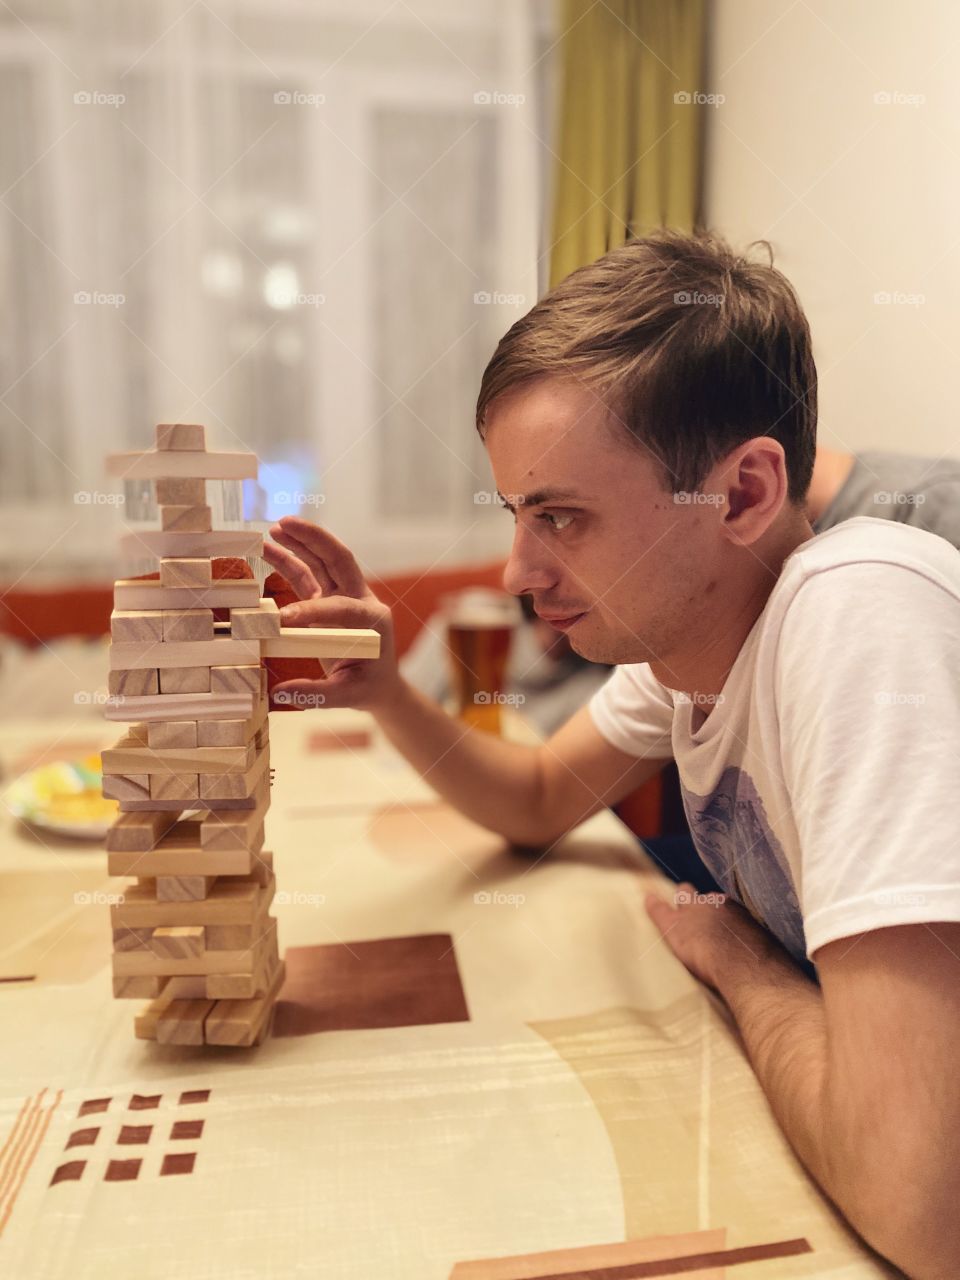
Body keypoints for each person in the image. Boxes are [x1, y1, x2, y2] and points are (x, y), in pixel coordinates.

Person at [263, 230, 960, 1280]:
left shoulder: (858, 609)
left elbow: (923, 1208)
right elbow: (540, 797)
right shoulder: (694, 646)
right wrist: (384, 686)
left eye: (563, 518)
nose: (518, 567)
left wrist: (737, 962)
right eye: (518, 515)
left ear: (741, 494)